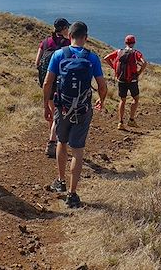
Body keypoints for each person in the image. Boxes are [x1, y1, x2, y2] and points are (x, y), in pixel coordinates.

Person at [42, 21, 107, 208]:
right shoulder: (92, 58)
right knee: (78, 150)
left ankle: (60, 181)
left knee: (61, 142)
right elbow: (102, 86)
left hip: (62, 108)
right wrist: (101, 101)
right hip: (83, 110)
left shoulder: (59, 54)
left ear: (69, 36)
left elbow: (48, 83)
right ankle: (72, 194)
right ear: (85, 37)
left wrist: (46, 105)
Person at [34, 17, 71, 158]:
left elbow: (37, 62)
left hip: (46, 83)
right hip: (60, 83)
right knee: (57, 114)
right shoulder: (67, 44)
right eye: (67, 27)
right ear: (63, 29)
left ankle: (53, 139)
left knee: (51, 111)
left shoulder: (44, 42)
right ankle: (52, 142)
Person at [103, 34, 147, 130]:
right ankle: (131, 120)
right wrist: (139, 72)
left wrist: (114, 67)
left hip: (121, 79)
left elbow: (106, 58)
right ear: (134, 43)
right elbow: (144, 63)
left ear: (125, 43)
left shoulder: (119, 51)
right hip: (132, 80)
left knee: (122, 100)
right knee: (135, 99)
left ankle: (120, 123)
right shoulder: (136, 53)